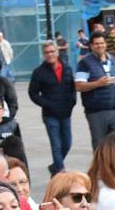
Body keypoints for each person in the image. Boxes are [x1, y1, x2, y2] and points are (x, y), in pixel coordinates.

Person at [27, 40, 77, 176]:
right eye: (47, 52)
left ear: (57, 51)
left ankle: (55, 166)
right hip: (50, 115)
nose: (50, 54)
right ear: (44, 54)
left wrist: (73, 101)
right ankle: (60, 171)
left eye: (52, 51)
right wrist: (47, 104)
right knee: (56, 145)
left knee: (67, 143)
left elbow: (73, 87)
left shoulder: (67, 68)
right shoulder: (39, 72)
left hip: (66, 113)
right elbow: (32, 93)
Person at [76, 33, 115, 148]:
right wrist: (98, 83)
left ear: (106, 44)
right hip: (96, 112)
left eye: (102, 43)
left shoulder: (112, 59)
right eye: (96, 44)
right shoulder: (84, 63)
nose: (100, 46)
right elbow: (78, 85)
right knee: (100, 146)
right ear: (91, 46)